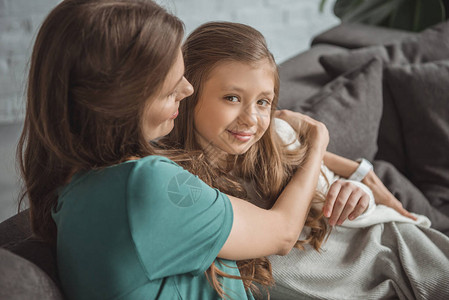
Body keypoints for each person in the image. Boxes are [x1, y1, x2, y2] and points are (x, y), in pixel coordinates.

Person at [16, 1, 336, 299]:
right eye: (171, 89)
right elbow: (281, 234)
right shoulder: (145, 186)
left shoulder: (71, 186)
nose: (188, 89)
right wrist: (318, 140)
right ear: (120, 99)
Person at [165, 21, 449, 299]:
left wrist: (357, 193)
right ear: (188, 93)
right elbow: (281, 238)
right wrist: (319, 141)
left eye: (263, 102)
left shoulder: (278, 136)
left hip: (399, 253)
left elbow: (357, 209)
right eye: (232, 98)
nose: (251, 119)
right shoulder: (179, 185)